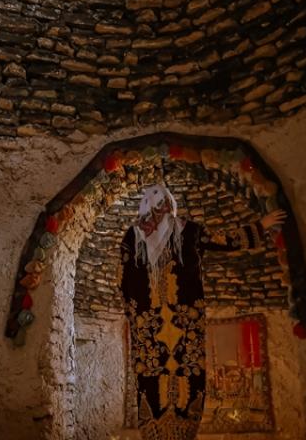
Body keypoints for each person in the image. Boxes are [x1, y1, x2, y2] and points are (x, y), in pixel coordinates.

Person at [119, 184, 286, 440]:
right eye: (163, 207)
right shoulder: (156, 234)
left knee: (174, 375)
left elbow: (122, 283)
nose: (163, 213)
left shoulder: (145, 235)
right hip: (175, 325)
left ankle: (172, 433)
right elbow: (225, 240)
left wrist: (135, 316)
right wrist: (260, 226)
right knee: (165, 377)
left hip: (159, 328)